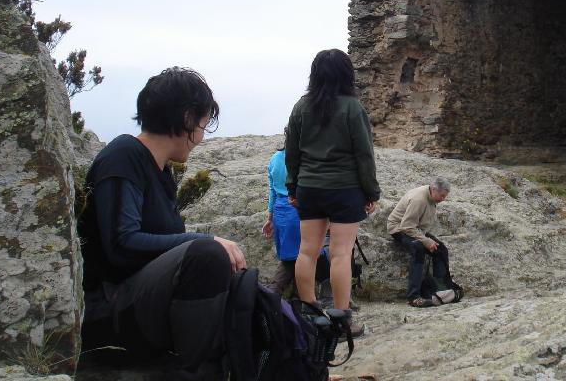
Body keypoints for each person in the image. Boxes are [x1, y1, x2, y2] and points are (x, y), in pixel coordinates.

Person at [78, 67, 245, 378]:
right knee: (205, 254)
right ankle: (194, 371)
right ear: (186, 119)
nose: (200, 138)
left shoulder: (161, 170)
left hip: (141, 302)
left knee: (234, 275)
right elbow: (121, 244)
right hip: (113, 308)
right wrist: (202, 241)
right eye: (203, 125)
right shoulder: (124, 156)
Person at [285, 48, 380, 337]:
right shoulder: (353, 108)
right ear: (346, 75)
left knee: (307, 252)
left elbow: (291, 152)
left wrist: (293, 186)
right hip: (344, 189)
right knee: (340, 255)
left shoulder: (301, 107)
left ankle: (309, 316)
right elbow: (364, 154)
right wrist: (371, 192)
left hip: (310, 188)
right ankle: (342, 321)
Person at [387, 178, 452, 307]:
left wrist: (427, 239)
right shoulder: (419, 199)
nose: (443, 199)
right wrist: (425, 241)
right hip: (399, 228)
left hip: (416, 229)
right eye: (442, 196)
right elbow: (406, 226)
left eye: (445, 196)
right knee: (418, 249)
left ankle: (439, 290)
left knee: (441, 249)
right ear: (434, 190)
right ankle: (414, 297)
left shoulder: (432, 197)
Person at [261, 129, 300, 296]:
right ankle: (277, 296)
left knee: (290, 257)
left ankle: (285, 300)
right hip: (297, 209)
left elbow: (272, 191)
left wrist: (270, 218)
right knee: (300, 257)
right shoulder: (301, 159)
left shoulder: (274, 159)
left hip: (280, 212)